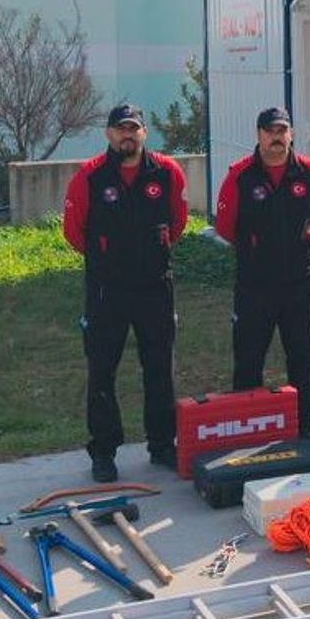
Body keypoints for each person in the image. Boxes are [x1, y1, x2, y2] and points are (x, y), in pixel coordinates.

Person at [62, 104, 187, 482]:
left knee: (159, 370)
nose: (127, 135)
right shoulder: (90, 176)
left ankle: (162, 444)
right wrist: (107, 258)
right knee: (102, 372)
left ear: (144, 133)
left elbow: (177, 223)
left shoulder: (167, 173)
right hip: (107, 291)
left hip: (154, 287)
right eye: (120, 129)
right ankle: (103, 451)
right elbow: (74, 232)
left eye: (133, 128)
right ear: (109, 134)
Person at [215, 107, 310, 447]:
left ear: (290, 134)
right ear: (259, 135)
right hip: (255, 286)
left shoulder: (308, 171)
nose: (276, 137)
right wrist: (256, 250)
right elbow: (225, 227)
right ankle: (247, 428)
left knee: (302, 357)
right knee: (249, 359)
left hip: (299, 283)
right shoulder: (240, 175)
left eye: (282, 131)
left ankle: (304, 423)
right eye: (270, 131)